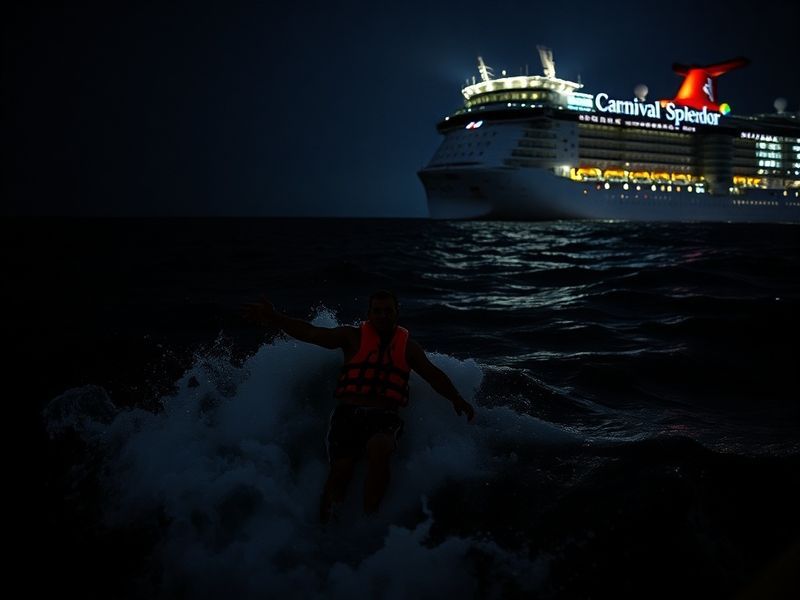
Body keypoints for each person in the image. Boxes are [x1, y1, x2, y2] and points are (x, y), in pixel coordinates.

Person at [243, 290, 475, 524]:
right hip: (347, 415)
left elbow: (432, 374)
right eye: (377, 311)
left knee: (380, 447)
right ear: (369, 314)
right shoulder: (350, 337)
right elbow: (312, 333)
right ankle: (326, 528)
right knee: (342, 469)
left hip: (384, 417)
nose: (382, 316)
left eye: (388, 311)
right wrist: (275, 318)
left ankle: (370, 519)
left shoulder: (408, 348)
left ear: (397, 313)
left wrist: (456, 398)